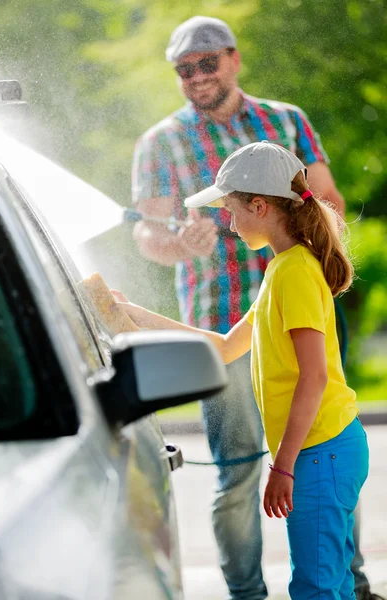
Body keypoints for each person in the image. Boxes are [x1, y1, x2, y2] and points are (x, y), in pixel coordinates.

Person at [131, 16, 380, 600]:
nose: (195, 76)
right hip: (228, 315)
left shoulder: (286, 126)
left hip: (311, 410)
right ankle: (253, 593)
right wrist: (143, 293)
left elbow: (329, 201)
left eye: (205, 63)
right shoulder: (161, 143)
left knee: (317, 552)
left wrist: (286, 464)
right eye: (183, 70)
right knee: (238, 474)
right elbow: (153, 239)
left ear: (233, 58)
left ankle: (349, 582)